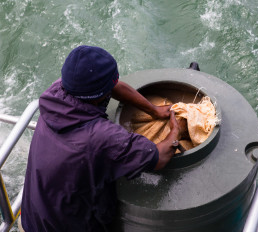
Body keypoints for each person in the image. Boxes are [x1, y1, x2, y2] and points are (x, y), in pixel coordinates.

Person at [20, 45, 184, 231]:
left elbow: (112, 86)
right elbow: (160, 157)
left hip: (32, 218)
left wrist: (152, 109)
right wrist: (176, 131)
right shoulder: (102, 137)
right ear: (100, 95)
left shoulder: (57, 91)